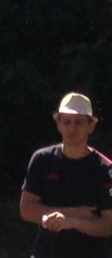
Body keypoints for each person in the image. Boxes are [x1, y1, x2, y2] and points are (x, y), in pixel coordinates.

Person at [21, 92, 112, 257]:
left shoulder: (105, 169)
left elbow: (108, 226)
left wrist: (72, 222)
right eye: (67, 122)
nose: (72, 128)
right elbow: (26, 209)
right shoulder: (42, 160)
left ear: (90, 126)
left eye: (78, 122)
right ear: (58, 124)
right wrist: (72, 213)